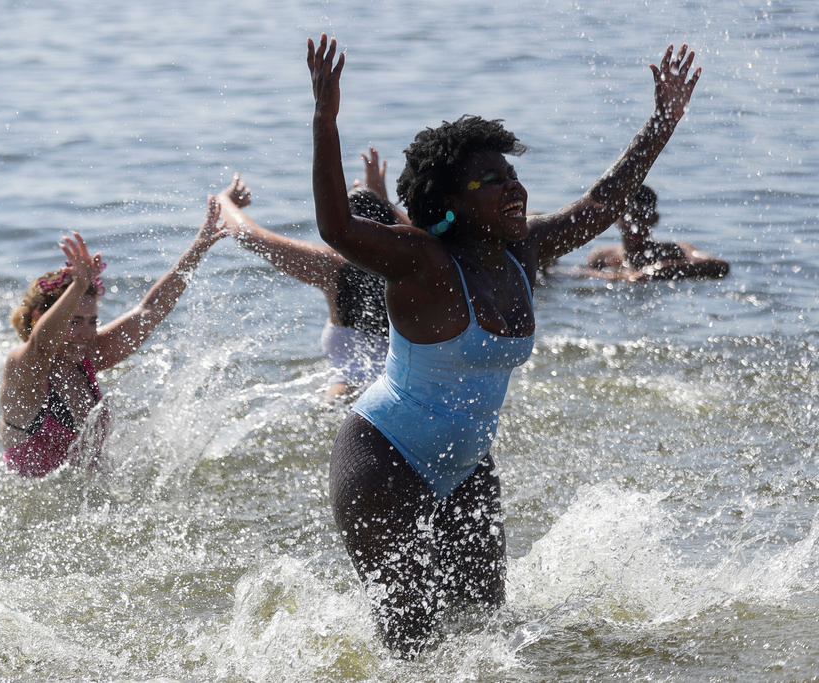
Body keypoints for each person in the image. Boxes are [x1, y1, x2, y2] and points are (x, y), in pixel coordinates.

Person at [308, 34, 700, 655]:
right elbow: (335, 226)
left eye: (513, 175)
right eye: (490, 181)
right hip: (384, 460)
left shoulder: (522, 250)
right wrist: (325, 120)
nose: (512, 189)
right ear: (448, 203)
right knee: (413, 648)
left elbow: (602, 201)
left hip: (467, 467)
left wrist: (660, 124)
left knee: (488, 637)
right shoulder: (423, 262)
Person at [0, 198, 227, 477]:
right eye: (74, 322)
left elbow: (151, 310)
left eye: (92, 321)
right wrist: (79, 285)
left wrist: (200, 246)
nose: (85, 333)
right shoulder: (25, 370)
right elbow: (42, 343)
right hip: (35, 504)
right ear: (38, 317)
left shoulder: (89, 356)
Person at [216, 169, 399, 397]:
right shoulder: (417, 269)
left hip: (347, 401)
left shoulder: (333, 267)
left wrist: (222, 200)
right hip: (399, 396)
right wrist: (385, 203)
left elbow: (250, 235)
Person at [585, 184, 729, 280]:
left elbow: (720, 265)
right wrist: (621, 277)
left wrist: (662, 269)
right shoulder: (602, 256)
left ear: (654, 219)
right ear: (615, 219)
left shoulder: (676, 250)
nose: (635, 224)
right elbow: (582, 277)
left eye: (642, 216)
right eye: (628, 217)